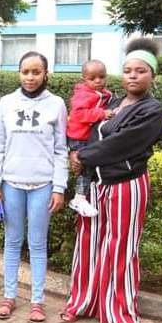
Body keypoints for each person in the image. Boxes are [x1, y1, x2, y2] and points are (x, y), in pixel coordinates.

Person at [61, 38, 162, 323]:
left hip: (126, 185)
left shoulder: (153, 111)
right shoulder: (109, 103)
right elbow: (84, 130)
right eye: (128, 70)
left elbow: (119, 144)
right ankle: (82, 303)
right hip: (95, 186)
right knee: (88, 245)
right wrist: (75, 149)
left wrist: (82, 156)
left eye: (141, 71)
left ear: (152, 76)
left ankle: (122, 313)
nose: (133, 75)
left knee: (121, 248)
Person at [0, 51, 68, 323]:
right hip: (11, 185)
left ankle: (37, 301)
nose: (30, 77)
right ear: (19, 73)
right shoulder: (6, 103)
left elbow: (60, 150)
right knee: (12, 241)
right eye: (25, 72)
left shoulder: (56, 105)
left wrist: (59, 187)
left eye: (36, 72)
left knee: (36, 244)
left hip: (42, 185)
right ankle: (9, 297)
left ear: (46, 74)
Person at [66, 59, 113, 217]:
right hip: (79, 138)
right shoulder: (83, 94)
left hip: (87, 138)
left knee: (90, 168)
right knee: (85, 169)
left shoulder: (102, 93)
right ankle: (78, 199)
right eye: (92, 78)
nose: (98, 81)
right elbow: (78, 114)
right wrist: (102, 114)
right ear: (84, 79)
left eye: (102, 76)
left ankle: (84, 196)